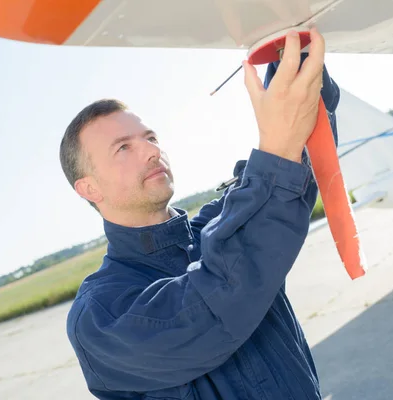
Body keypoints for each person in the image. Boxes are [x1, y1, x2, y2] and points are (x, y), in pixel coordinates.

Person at [62, 27, 340, 399]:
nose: (150, 151)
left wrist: (291, 51)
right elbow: (212, 305)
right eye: (123, 148)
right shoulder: (100, 315)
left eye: (150, 137)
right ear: (89, 188)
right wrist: (275, 151)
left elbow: (298, 170)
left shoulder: (219, 226)